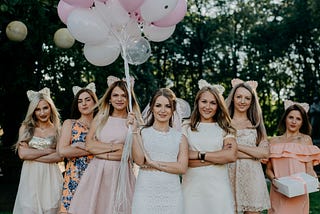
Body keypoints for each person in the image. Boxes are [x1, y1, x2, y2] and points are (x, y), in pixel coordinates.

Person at [68, 76, 143, 214]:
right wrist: (115, 147)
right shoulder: (101, 118)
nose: (119, 99)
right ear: (109, 98)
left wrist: (102, 149)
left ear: (129, 99)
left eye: (124, 96)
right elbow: (90, 145)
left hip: (120, 174)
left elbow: (131, 155)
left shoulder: (134, 122)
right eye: (115, 95)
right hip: (97, 172)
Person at [182, 79, 237, 214]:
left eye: (213, 103)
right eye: (204, 102)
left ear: (218, 106)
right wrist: (217, 158)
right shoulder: (186, 127)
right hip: (192, 188)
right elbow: (182, 158)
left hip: (218, 189)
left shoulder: (226, 129)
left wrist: (198, 155)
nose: (208, 106)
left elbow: (230, 155)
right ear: (197, 103)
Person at [131, 88, 189, 214]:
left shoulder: (180, 138)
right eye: (158, 105)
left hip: (172, 193)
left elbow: (182, 168)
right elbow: (140, 161)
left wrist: (152, 163)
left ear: (173, 109)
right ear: (152, 107)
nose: (163, 110)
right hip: (145, 191)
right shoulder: (141, 133)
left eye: (167, 106)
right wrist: (134, 131)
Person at [13, 87, 63, 214]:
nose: (42, 113)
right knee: (28, 208)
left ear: (51, 107)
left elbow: (59, 157)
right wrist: (48, 151)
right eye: (37, 109)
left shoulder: (58, 130)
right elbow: (22, 154)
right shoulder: (25, 128)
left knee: (51, 208)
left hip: (51, 177)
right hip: (30, 177)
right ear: (33, 111)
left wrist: (32, 153)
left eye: (45, 108)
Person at [265, 100, 320, 214]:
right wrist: (274, 180)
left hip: (299, 191)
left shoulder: (305, 140)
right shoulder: (273, 141)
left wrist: (314, 181)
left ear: (302, 122)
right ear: (285, 118)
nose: (294, 121)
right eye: (291, 117)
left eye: (298, 119)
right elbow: (268, 169)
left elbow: (309, 168)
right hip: (279, 191)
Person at [225, 78, 270, 214]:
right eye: (239, 97)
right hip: (228, 174)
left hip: (252, 176)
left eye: (247, 98)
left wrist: (236, 146)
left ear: (251, 101)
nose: (242, 101)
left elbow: (264, 153)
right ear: (233, 98)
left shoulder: (256, 124)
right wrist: (253, 154)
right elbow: (223, 152)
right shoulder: (225, 123)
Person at [58, 83, 98, 213]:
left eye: (88, 100)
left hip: (96, 176)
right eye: (80, 101)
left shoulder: (101, 125)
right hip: (74, 177)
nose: (84, 104)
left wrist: (79, 146)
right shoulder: (70, 124)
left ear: (95, 102)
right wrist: (95, 148)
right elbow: (63, 151)